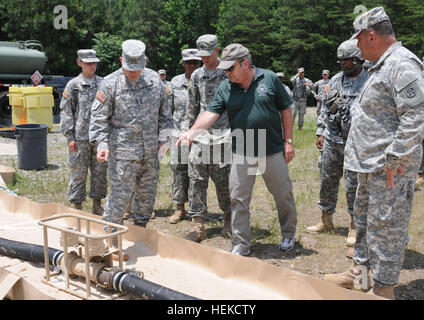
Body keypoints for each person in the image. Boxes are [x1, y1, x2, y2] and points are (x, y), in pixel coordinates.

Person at [323, 7, 424, 299]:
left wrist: (395, 158)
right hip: (369, 166)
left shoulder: (402, 64)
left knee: (387, 233)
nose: (356, 47)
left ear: (371, 36)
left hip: (388, 168)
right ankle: (360, 277)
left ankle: (383, 289)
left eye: (359, 41)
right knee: (366, 227)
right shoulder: (382, 64)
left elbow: (416, 116)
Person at [177, 43, 298, 256]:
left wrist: (288, 140)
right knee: (239, 199)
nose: (226, 73)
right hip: (242, 150)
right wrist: (192, 132)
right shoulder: (226, 87)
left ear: (245, 64)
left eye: (230, 68)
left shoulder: (268, 79)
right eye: (224, 69)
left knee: (283, 195)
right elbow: (210, 114)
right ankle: (241, 244)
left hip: (270, 149)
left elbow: (285, 108)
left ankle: (288, 234)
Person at [89, 39, 173, 230]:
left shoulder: (154, 81)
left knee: (146, 197)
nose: (134, 72)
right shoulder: (109, 84)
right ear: (121, 60)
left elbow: (165, 115)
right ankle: (109, 238)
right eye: (129, 68)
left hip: (150, 153)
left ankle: (139, 233)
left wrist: (164, 141)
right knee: (119, 199)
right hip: (123, 155)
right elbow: (98, 119)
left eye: (138, 67)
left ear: (145, 61)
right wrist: (102, 144)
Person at [307, 40, 369, 253]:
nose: (343, 63)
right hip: (333, 139)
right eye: (340, 60)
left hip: (357, 141)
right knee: (327, 179)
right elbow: (325, 107)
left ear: (358, 59)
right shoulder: (334, 80)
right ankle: (326, 219)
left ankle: (354, 226)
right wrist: (321, 131)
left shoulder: (369, 79)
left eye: (347, 60)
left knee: (354, 185)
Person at [183, 34, 232, 242]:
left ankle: (229, 218)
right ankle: (199, 225)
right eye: (201, 55)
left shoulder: (228, 72)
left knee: (224, 181)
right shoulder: (196, 76)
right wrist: (189, 133)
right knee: (196, 179)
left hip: (225, 135)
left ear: (217, 50)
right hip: (201, 137)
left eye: (207, 54)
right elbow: (192, 107)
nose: (203, 59)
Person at [60, 49, 107, 214]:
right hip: (80, 138)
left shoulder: (103, 83)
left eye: (94, 62)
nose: (92, 66)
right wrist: (69, 136)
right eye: (88, 63)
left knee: (100, 172)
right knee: (79, 173)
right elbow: (66, 112)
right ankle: (77, 206)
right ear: (79, 62)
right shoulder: (73, 85)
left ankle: (97, 204)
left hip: (100, 137)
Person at [168, 48, 201, 224]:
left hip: (199, 135)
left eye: (195, 62)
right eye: (188, 62)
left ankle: (197, 210)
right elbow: (168, 110)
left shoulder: (203, 81)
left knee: (197, 174)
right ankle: (179, 208)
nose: (192, 66)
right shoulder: (174, 82)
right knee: (178, 172)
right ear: (183, 64)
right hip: (178, 135)